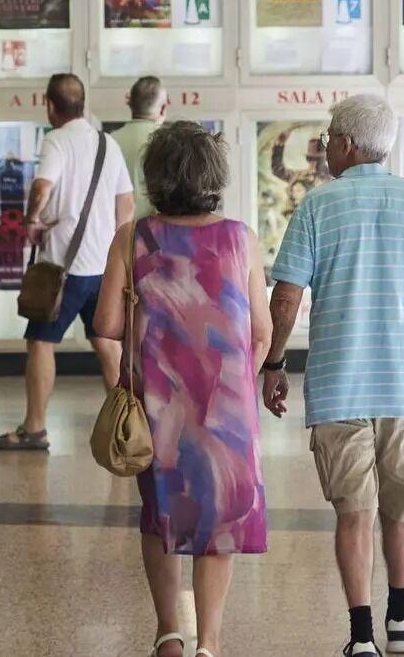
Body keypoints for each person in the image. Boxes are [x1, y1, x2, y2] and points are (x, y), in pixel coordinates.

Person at [261, 95, 404, 656]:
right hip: (403, 387)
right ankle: (401, 620)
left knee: (354, 514)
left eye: (330, 136)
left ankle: (361, 639)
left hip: (338, 388)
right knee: (401, 508)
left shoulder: (316, 207)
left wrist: (275, 362)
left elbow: (285, 298)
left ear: (348, 144)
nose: (326, 145)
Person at [93, 121, 270, 657]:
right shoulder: (240, 239)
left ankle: (169, 632)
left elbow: (105, 325)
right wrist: (237, 379)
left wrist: (128, 379)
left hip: (158, 405)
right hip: (228, 408)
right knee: (218, 519)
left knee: (160, 512)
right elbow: (261, 331)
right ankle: (209, 643)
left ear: (156, 176)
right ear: (214, 175)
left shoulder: (134, 238)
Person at [0, 73, 135, 451]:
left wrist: (31, 221)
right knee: (107, 344)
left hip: (62, 266)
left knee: (40, 342)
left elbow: (42, 186)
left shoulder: (55, 140)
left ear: (50, 105)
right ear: (83, 104)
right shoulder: (108, 144)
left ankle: (35, 428)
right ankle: (125, 427)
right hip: (102, 268)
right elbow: (127, 205)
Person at [110, 76, 167, 219]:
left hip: (118, 233)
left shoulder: (109, 141)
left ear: (129, 102)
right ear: (163, 108)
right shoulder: (168, 143)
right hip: (155, 234)